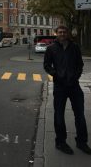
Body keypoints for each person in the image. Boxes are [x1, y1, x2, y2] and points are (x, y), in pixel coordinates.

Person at [44, 25, 91, 155]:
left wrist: (76, 76)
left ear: (67, 33)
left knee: (80, 115)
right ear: (56, 33)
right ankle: (60, 142)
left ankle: (82, 142)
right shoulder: (51, 49)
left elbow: (80, 64)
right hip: (60, 86)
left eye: (64, 32)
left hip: (74, 86)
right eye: (60, 32)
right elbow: (47, 65)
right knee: (59, 115)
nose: (62, 34)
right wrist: (56, 75)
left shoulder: (74, 47)